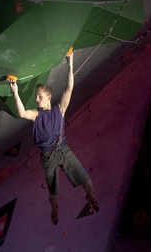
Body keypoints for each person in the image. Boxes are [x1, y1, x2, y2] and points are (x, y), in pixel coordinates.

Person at [8, 50, 99, 225]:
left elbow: (69, 88)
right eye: (36, 96)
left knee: (87, 181)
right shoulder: (36, 114)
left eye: (39, 96)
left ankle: (91, 197)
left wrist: (70, 63)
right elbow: (21, 113)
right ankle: (54, 209)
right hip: (48, 156)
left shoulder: (60, 109)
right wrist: (15, 92)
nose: (36, 99)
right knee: (54, 193)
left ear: (48, 97)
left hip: (64, 150)